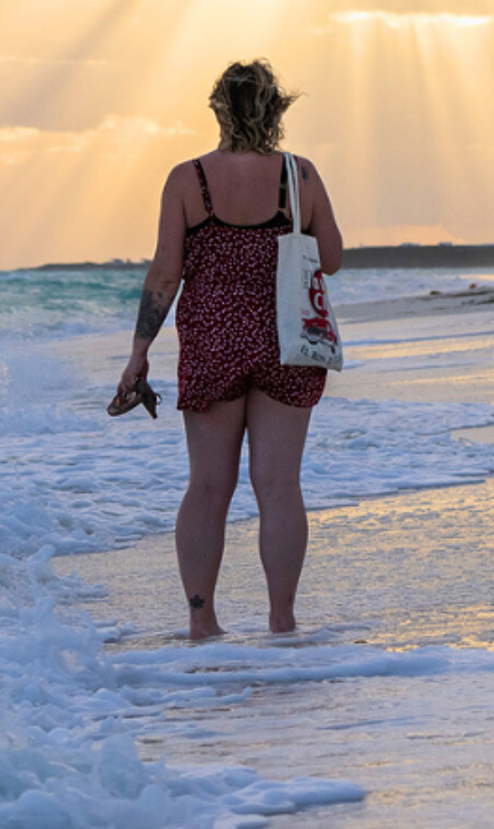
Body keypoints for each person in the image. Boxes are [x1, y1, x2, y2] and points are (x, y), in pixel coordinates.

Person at [114, 60, 342, 639]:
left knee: (209, 487)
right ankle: (282, 621)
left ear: (219, 108)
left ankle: (202, 621)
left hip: (213, 342)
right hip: (288, 342)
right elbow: (332, 260)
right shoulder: (302, 176)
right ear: (276, 109)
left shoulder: (189, 180)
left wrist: (139, 354)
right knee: (280, 486)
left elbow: (165, 276)